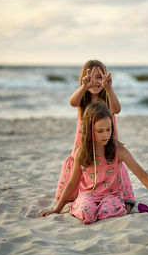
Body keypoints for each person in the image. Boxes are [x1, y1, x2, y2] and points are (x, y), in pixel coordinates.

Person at [39, 101, 148, 224]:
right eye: (100, 131)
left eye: (108, 129)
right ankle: (96, 207)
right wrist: (57, 209)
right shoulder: (82, 153)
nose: (105, 135)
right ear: (90, 131)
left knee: (107, 212)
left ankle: (128, 206)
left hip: (112, 195)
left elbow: (141, 174)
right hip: (89, 194)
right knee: (87, 213)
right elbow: (72, 183)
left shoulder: (119, 151)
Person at [55, 60, 134, 212]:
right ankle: (85, 198)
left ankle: (115, 201)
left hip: (105, 148)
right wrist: (83, 87)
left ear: (105, 78)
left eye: (98, 77)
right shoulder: (83, 102)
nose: (94, 82)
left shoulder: (106, 100)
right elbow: (72, 102)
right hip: (84, 149)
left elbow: (117, 109)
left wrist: (109, 88)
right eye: (89, 78)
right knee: (81, 180)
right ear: (83, 80)